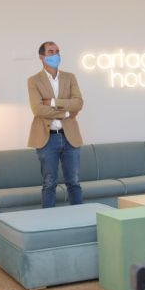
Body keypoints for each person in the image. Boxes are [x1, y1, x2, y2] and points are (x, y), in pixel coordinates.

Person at [27, 41, 84, 208]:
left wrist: (52, 102)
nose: (55, 55)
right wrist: (66, 113)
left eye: (57, 51)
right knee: (49, 183)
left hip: (70, 137)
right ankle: (48, 220)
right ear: (41, 56)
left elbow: (78, 103)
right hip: (47, 138)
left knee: (73, 181)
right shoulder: (33, 80)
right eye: (51, 52)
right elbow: (38, 109)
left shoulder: (70, 77)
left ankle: (79, 217)